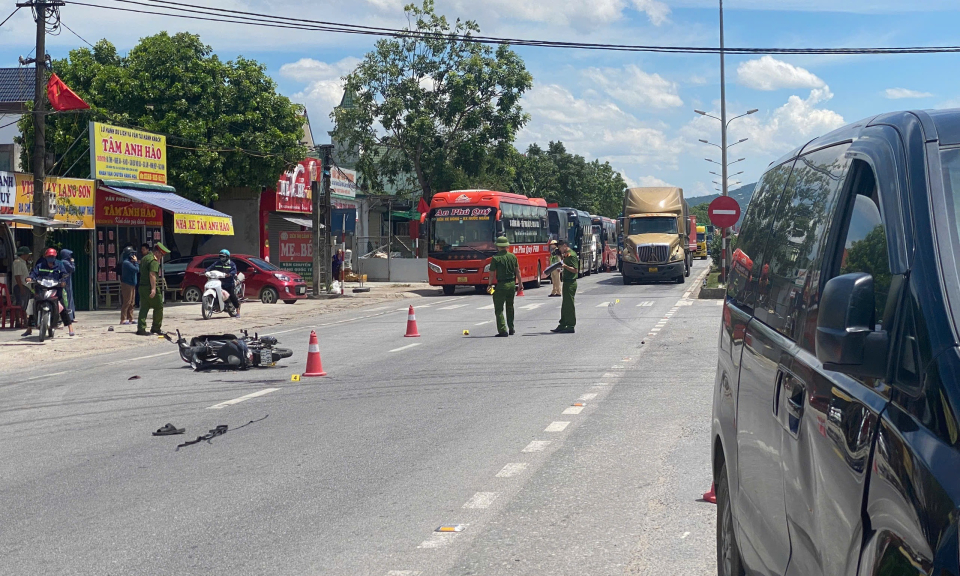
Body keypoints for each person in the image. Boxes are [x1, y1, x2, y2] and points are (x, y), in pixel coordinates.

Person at [23, 248, 75, 337]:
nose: (50, 258)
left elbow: (64, 274)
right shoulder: (40, 265)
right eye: (49, 257)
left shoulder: (60, 265)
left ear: (55, 256)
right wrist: (30, 278)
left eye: (52, 256)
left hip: (55, 289)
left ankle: (70, 328)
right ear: (45, 257)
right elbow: (34, 273)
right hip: (41, 289)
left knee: (62, 307)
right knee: (33, 304)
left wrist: (63, 281)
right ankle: (29, 328)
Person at [487, 235, 522, 337]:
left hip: (501, 284)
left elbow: (491, 273)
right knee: (510, 306)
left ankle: (503, 330)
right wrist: (520, 284)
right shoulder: (513, 256)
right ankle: (511, 328)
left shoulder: (496, 258)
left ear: (498, 246)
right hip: (512, 284)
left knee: (499, 308)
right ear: (506, 246)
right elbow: (518, 271)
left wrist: (489, 284)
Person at [137, 242, 169, 336]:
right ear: (157, 253)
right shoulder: (153, 261)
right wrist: (154, 289)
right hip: (149, 287)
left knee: (144, 307)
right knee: (159, 307)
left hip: (142, 287)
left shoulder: (145, 258)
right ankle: (156, 328)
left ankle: (141, 328)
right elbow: (152, 275)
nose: (161, 257)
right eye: (162, 255)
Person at [552, 240, 579, 334]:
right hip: (566, 282)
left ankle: (571, 325)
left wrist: (565, 266)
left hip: (571, 283)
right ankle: (563, 324)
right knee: (565, 305)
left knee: (569, 305)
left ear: (564, 245)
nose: (559, 249)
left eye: (559, 247)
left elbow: (575, 270)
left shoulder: (572, 255)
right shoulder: (566, 254)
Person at [206, 249, 241, 318]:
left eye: (223, 256)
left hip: (229, 283)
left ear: (227, 257)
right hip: (219, 282)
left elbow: (234, 271)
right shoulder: (217, 263)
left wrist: (229, 274)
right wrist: (206, 271)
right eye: (221, 256)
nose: (222, 258)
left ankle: (238, 311)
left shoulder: (231, 264)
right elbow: (210, 268)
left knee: (232, 296)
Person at [120, 247, 139, 325]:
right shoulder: (126, 263)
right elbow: (136, 270)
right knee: (127, 302)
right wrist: (136, 262)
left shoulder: (130, 262)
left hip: (132, 283)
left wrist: (134, 262)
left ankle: (131, 318)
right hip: (127, 284)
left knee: (132, 302)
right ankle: (123, 319)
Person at [59, 249, 76, 322]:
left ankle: (70, 316)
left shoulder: (61, 262)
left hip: (66, 280)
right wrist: (72, 262)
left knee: (68, 298)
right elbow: (72, 269)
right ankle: (69, 317)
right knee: (68, 299)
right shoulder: (65, 262)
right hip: (67, 281)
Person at [12, 246, 31, 310]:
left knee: (24, 306)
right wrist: (21, 288)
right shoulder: (18, 262)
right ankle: (18, 319)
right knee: (20, 305)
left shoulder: (23, 262)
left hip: (25, 286)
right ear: (24, 254)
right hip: (21, 286)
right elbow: (17, 276)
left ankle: (24, 319)